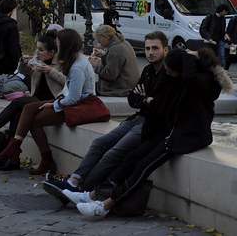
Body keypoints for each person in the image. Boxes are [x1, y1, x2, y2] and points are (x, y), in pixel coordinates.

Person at [68, 47, 231, 219]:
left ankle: (106, 205)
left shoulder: (203, 81)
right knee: (131, 158)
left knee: (143, 166)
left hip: (187, 136)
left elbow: (188, 82)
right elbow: (159, 102)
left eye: (170, 70)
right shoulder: (178, 79)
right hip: (170, 131)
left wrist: (187, 58)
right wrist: (146, 100)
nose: (167, 73)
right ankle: (93, 195)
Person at [43, 31, 169, 200]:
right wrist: (145, 99)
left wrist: (144, 99)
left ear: (166, 50)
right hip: (137, 119)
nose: (150, 52)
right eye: (147, 49)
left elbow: (160, 105)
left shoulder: (169, 74)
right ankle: (73, 182)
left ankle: (80, 190)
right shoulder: (147, 71)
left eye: (155, 48)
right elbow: (132, 98)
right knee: (99, 143)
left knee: (113, 153)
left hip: (150, 125)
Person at [0, 28, 96, 175]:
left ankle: (34, 156)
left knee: (32, 118)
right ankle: (15, 149)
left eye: (58, 44)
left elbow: (74, 98)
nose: (57, 47)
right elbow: (67, 90)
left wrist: (54, 104)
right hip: (65, 101)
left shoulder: (77, 66)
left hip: (79, 107)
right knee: (27, 108)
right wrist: (24, 63)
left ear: (64, 45)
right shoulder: (73, 61)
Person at [0, 30, 63, 168]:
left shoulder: (60, 63)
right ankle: (12, 159)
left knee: (18, 103)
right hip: (36, 98)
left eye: (41, 50)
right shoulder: (37, 60)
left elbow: (67, 82)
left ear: (52, 53)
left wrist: (50, 71)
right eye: (37, 48)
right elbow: (23, 72)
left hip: (52, 100)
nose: (37, 52)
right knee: (17, 113)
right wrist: (23, 62)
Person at [89, 24, 140, 96]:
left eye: (99, 39)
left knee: (86, 88)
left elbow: (109, 75)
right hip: (128, 84)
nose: (99, 42)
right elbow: (115, 61)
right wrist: (104, 55)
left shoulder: (115, 49)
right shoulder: (123, 42)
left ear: (107, 37)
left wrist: (96, 65)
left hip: (119, 88)